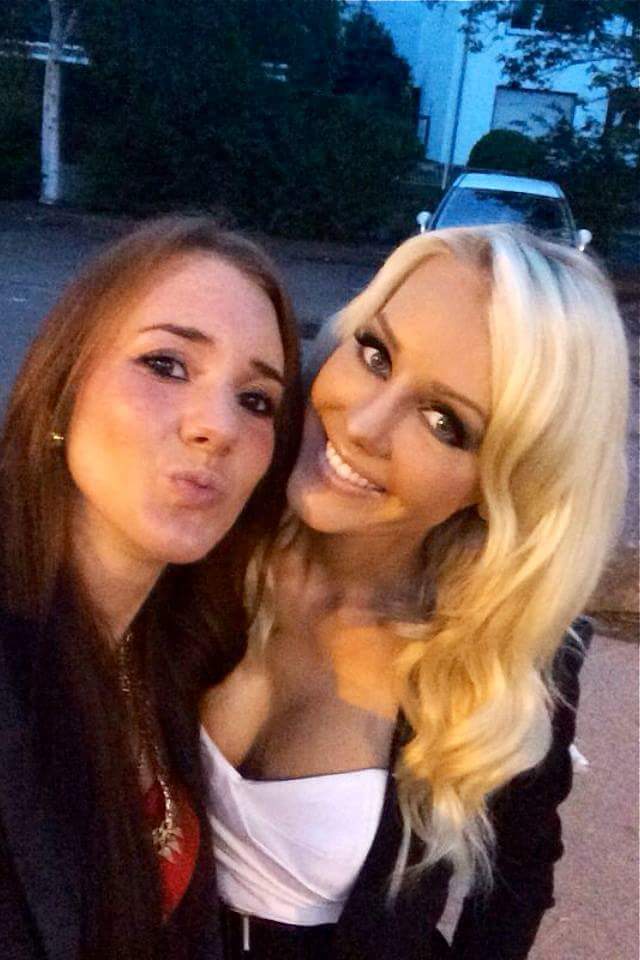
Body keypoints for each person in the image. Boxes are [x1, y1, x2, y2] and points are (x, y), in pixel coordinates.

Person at [200, 224, 629, 959]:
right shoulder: (211, 527)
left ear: (505, 484)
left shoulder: (500, 660)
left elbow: (520, 877)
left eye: (444, 422)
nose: (363, 425)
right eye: (376, 353)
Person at [0, 216, 302, 960]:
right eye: (166, 364)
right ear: (66, 383)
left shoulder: (173, 656)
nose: (217, 427)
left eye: (256, 401)